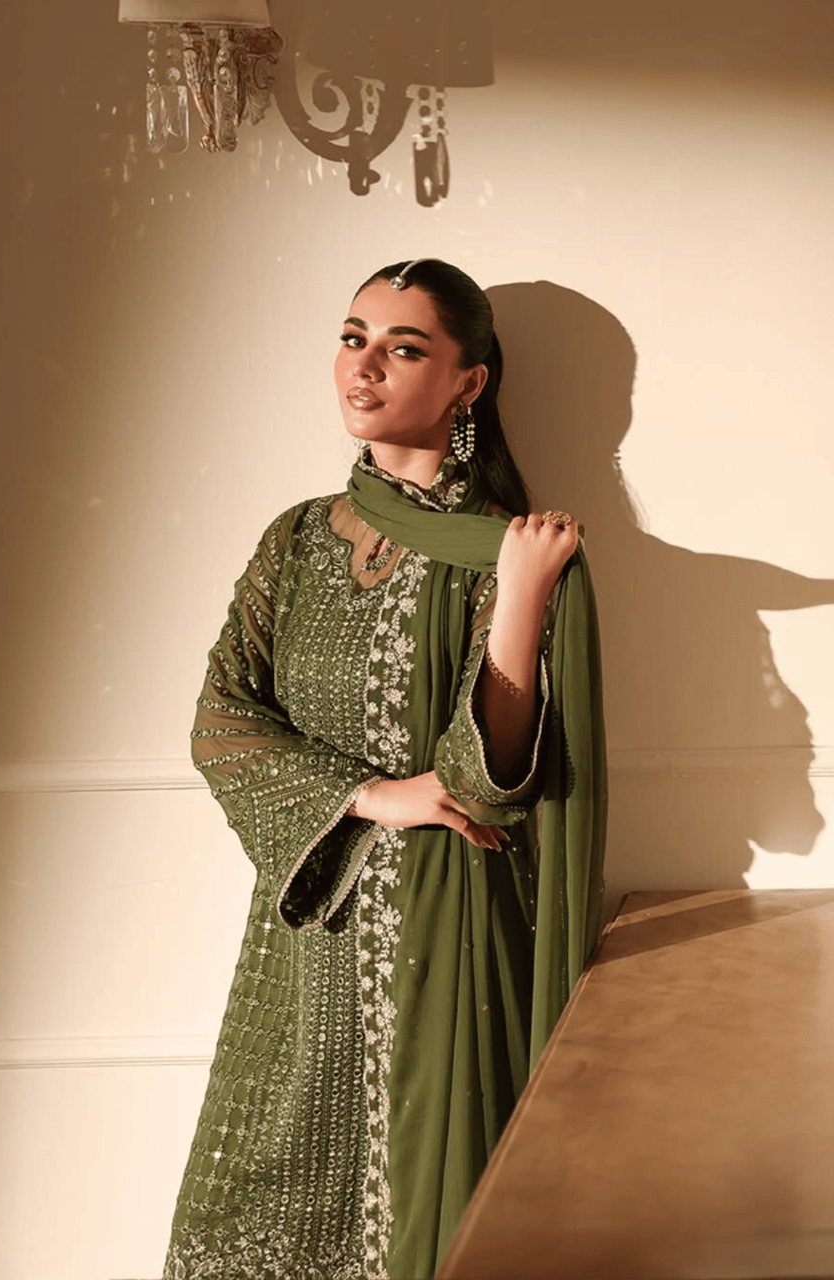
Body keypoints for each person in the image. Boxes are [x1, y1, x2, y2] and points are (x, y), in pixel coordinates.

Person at [163, 258, 607, 1280]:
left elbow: (488, 780)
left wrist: (523, 594)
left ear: (468, 382)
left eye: (404, 348)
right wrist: (369, 793)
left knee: (430, 1218)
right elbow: (220, 722)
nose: (363, 369)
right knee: (256, 1204)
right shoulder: (296, 540)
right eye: (353, 337)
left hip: (446, 934)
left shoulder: (503, 550)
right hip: (309, 931)